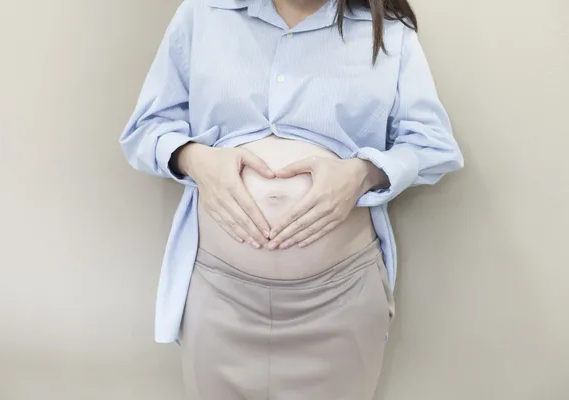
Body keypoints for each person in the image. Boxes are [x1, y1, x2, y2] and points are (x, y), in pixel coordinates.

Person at [119, 0, 463, 397]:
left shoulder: (385, 31)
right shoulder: (203, 13)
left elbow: (433, 144)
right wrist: (196, 159)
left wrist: (362, 173)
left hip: (341, 300)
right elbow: (146, 128)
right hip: (220, 296)